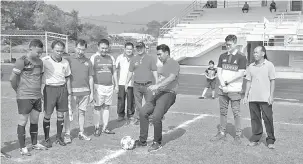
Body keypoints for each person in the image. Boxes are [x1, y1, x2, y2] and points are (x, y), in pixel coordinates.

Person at [134, 44, 180, 152]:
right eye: (157, 54)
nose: (158, 56)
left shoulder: (173, 63)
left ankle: (157, 142)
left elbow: (172, 77)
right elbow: (160, 78)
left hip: (169, 93)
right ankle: (142, 140)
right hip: (159, 93)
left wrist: (157, 86)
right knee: (143, 112)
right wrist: (154, 88)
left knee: (156, 116)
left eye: (160, 54)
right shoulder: (163, 65)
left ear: (167, 53)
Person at [9, 39, 47, 156]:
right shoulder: (22, 61)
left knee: (35, 120)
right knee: (23, 121)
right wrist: (18, 91)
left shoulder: (40, 62)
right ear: (31, 48)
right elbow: (12, 79)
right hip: (24, 96)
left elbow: (39, 79)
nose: (40, 55)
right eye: (38, 52)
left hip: (37, 96)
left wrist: (40, 93)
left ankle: (34, 143)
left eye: (41, 52)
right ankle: (22, 147)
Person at [210, 35, 247, 145]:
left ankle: (238, 135)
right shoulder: (222, 56)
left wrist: (227, 83)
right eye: (226, 44)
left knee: (236, 113)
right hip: (222, 89)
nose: (227, 46)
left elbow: (240, 73)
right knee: (223, 112)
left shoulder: (241, 57)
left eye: (230, 44)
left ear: (235, 44)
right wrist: (223, 84)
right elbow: (219, 71)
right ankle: (221, 133)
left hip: (235, 90)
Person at [243, 46, 276, 149]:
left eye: (257, 52)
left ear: (263, 53)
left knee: (268, 119)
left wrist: (271, 95)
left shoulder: (269, 65)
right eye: (254, 52)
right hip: (253, 98)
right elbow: (248, 81)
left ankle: (270, 140)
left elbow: (272, 80)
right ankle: (255, 138)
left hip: (265, 98)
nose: (255, 54)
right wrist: (245, 95)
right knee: (255, 119)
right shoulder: (251, 66)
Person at [42, 40, 72, 148]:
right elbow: (39, 76)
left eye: (61, 51)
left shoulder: (65, 62)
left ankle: (59, 137)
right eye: (57, 50)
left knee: (60, 114)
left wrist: (69, 91)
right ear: (52, 49)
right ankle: (46, 139)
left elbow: (67, 77)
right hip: (49, 89)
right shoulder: (45, 61)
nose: (59, 53)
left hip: (62, 89)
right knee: (48, 114)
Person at [63, 39, 94, 143]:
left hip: (85, 93)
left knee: (82, 113)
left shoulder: (88, 62)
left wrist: (92, 93)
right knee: (69, 113)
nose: (81, 52)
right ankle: (67, 134)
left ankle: (81, 132)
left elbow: (90, 77)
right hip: (72, 93)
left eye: (83, 50)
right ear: (75, 47)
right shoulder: (68, 60)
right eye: (79, 49)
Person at [125, 42, 158, 125]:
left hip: (148, 85)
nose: (139, 49)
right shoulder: (134, 59)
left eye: (141, 47)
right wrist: (126, 82)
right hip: (136, 85)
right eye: (138, 48)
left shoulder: (150, 58)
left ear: (144, 48)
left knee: (149, 103)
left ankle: (150, 119)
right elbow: (130, 72)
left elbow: (154, 71)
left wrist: (157, 83)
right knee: (138, 103)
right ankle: (137, 118)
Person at [90, 39, 118, 136]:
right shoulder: (94, 58)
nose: (104, 50)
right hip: (98, 86)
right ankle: (97, 128)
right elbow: (91, 74)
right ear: (98, 47)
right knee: (97, 107)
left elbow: (114, 72)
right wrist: (92, 88)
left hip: (109, 86)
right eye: (102, 48)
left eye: (106, 48)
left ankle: (105, 127)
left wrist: (116, 85)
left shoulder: (111, 58)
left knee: (107, 107)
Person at [116, 42, 135, 123]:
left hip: (132, 83)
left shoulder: (136, 58)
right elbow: (116, 70)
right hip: (121, 82)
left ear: (133, 49)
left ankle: (130, 115)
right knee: (121, 99)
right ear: (124, 49)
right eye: (127, 49)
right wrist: (116, 84)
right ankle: (120, 115)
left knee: (131, 100)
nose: (129, 50)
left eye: (130, 49)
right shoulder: (120, 58)